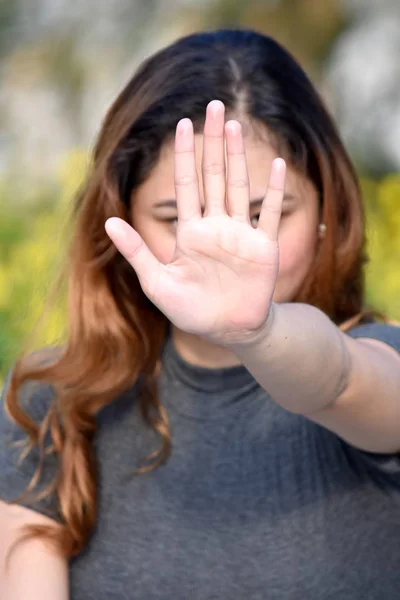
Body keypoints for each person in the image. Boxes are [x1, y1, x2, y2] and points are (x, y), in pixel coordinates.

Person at [1, 28, 400, 600]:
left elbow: (338, 380)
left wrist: (256, 332)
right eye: (177, 219)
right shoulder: (54, 403)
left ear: (325, 211)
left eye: (263, 214)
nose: (223, 249)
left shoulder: (380, 366)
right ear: (124, 222)